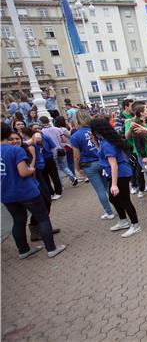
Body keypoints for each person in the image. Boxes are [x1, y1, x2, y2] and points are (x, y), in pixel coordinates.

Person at [1, 123, 66, 259]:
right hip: (26, 191)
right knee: (42, 218)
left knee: (18, 221)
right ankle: (51, 248)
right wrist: (32, 168)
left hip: (6, 193)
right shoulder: (15, 150)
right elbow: (24, 172)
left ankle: (23, 250)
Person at [90, 118, 142, 238]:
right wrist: (96, 143)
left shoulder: (107, 143)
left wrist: (114, 184)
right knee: (114, 199)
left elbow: (114, 165)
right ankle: (123, 221)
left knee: (125, 200)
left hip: (120, 175)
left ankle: (135, 225)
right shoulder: (106, 141)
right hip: (117, 174)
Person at [71, 110, 115, 220]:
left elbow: (76, 156)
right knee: (107, 187)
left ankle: (109, 212)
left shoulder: (75, 136)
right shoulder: (96, 130)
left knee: (100, 189)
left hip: (89, 164)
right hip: (102, 161)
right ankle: (118, 207)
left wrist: (77, 168)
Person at [39, 115, 79, 187]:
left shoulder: (42, 132)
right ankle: (73, 177)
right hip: (61, 149)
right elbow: (63, 140)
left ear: (41, 122)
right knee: (64, 166)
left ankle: (61, 185)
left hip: (52, 151)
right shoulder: (57, 129)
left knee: (57, 169)